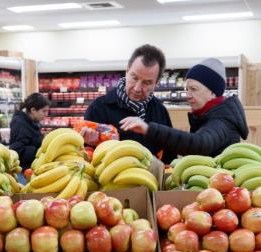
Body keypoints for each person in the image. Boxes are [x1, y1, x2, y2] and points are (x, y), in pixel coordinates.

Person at [119, 58, 249, 163]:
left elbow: (200, 143)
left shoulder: (222, 120)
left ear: (213, 92)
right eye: (186, 89)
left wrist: (148, 129)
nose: (187, 94)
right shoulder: (207, 115)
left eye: (193, 89)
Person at [82, 44, 172, 157]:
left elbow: (169, 158)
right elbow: (83, 155)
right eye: (134, 78)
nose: (137, 88)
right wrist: (91, 143)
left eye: (147, 82)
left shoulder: (160, 112)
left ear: (156, 83)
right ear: (127, 71)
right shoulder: (99, 108)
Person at [9, 93, 51, 174]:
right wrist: (40, 151)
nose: (46, 114)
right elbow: (17, 151)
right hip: (24, 171)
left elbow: (30, 140)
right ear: (33, 110)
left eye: (47, 111)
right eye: (44, 111)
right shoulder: (20, 124)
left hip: (32, 167)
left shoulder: (32, 122)